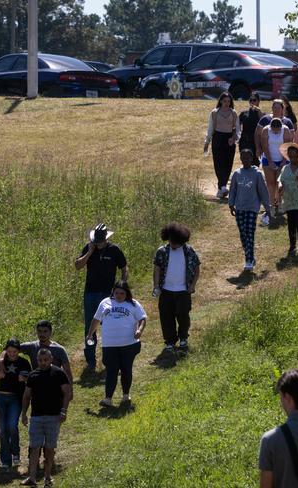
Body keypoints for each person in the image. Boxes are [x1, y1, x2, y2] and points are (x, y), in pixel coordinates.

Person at [75, 223, 128, 370]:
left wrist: (121, 285)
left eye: (99, 242)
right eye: (95, 242)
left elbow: (124, 268)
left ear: (105, 239)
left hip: (108, 294)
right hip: (90, 293)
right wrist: (89, 252)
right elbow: (78, 266)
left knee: (109, 326)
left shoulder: (114, 250)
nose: (97, 244)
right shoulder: (88, 248)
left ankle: (110, 359)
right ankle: (90, 361)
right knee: (89, 327)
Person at [87, 280, 147, 407]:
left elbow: (142, 319)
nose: (119, 296)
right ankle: (108, 398)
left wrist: (139, 330)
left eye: (122, 293)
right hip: (109, 344)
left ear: (127, 293)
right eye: (117, 293)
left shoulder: (133, 304)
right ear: (113, 292)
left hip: (129, 344)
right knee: (111, 371)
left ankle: (126, 395)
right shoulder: (105, 303)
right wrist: (90, 333)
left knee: (126, 369)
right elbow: (96, 319)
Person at [20, 349, 72, 488]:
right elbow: (26, 396)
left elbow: (67, 392)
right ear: (37, 360)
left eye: (46, 360)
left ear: (51, 359)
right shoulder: (33, 375)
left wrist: (64, 410)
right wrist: (24, 413)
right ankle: (32, 478)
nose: (43, 363)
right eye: (40, 360)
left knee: (49, 448)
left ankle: (47, 478)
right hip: (36, 417)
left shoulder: (59, 373)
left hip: (53, 417)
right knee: (34, 447)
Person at [152, 223, 200, 352]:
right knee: (166, 317)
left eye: (176, 243)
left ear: (182, 240)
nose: (173, 245)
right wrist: (156, 286)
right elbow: (156, 269)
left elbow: (196, 269)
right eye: (171, 242)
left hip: (183, 291)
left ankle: (183, 338)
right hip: (166, 290)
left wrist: (193, 285)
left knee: (183, 315)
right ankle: (170, 341)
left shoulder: (189, 251)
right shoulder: (162, 251)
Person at [0, 339, 32, 471]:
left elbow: (30, 379)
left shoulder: (24, 362)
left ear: (19, 351)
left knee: (12, 426)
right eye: (9, 351)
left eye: (14, 351)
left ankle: (16, 453)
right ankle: (5, 460)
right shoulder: (0, 361)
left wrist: (24, 379)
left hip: (16, 398)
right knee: (2, 429)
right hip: (0, 396)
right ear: (6, 351)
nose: (12, 354)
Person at [229, 149, 271, 271]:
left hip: (252, 208)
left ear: (252, 159)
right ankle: (250, 256)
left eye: (247, 158)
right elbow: (233, 190)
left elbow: (263, 192)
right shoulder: (237, 174)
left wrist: (267, 208)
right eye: (243, 158)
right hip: (240, 208)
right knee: (243, 235)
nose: (245, 160)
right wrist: (231, 204)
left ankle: (249, 260)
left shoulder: (257, 174)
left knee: (250, 234)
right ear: (240, 159)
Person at [203, 92, 239, 199]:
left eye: (228, 101)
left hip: (229, 140)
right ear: (220, 101)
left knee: (228, 164)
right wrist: (207, 142)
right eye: (224, 101)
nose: (226, 103)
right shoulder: (214, 113)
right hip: (217, 139)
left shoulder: (234, 113)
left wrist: (233, 139)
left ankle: (221, 189)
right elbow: (210, 129)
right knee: (218, 163)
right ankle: (223, 186)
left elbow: (237, 129)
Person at [260, 118, 294, 226]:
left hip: (282, 158)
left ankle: (279, 204)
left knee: (279, 183)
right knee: (270, 183)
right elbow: (265, 147)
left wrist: (284, 161)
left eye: (277, 130)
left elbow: (287, 146)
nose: (276, 132)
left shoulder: (285, 130)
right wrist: (270, 161)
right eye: (274, 130)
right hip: (268, 159)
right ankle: (270, 206)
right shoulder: (266, 130)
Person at [237, 92, 263, 166]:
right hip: (245, 141)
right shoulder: (244, 113)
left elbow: (264, 125)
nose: (252, 102)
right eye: (250, 100)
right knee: (245, 161)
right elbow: (237, 126)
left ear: (258, 101)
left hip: (256, 142)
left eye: (254, 100)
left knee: (255, 162)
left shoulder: (262, 114)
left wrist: (259, 112)